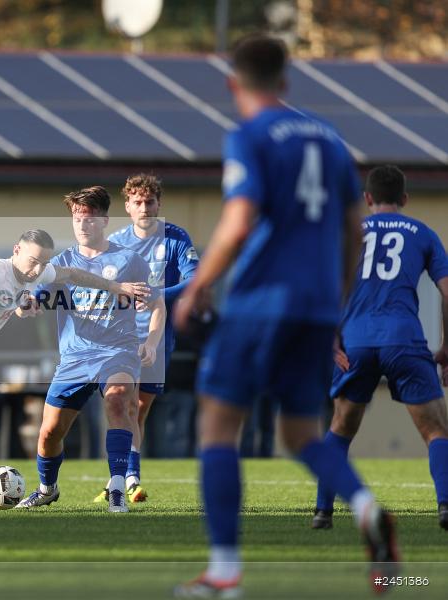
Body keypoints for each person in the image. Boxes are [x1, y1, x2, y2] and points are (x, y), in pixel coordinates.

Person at [172, 35, 398, 597]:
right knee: (300, 432)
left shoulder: (248, 135)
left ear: (233, 84)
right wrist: (336, 304)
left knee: (218, 425)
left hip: (259, 302)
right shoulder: (330, 138)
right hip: (316, 308)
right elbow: (354, 231)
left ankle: (224, 572)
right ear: (285, 80)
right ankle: (365, 507)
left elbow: (239, 220)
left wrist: (198, 286)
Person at [0, 228, 146, 510]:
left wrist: (115, 287)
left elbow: (73, 274)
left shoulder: (37, 273)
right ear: (16, 250)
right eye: (33, 261)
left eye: (44, 262)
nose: (38, 269)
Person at [312, 165, 448, 532]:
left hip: (355, 340)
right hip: (404, 338)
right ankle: (446, 505)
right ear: (404, 198)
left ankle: (322, 511)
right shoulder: (423, 233)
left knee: (340, 427)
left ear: (367, 198)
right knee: (436, 430)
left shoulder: (346, 231)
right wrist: (446, 346)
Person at [14, 186, 160, 513]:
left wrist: (151, 342)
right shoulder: (62, 262)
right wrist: (28, 305)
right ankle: (47, 489)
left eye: (89, 219)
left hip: (118, 351)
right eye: (77, 218)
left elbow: (157, 304)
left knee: (118, 400)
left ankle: (118, 487)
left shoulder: (129, 260)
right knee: (49, 433)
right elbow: (38, 295)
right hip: (75, 357)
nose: (82, 225)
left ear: (104, 221)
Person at [94, 172, 199, 504]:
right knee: (123, 403)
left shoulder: (176, 238)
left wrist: (158, 295)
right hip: (121, 335)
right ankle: (130, 478)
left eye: (149, 202)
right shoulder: (116, 242)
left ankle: (120, 475)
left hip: (158, 334)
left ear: (158, 204)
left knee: (139, 408)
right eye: (137, 202)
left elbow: (194, 281)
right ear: (127, 205)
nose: (144, 208)